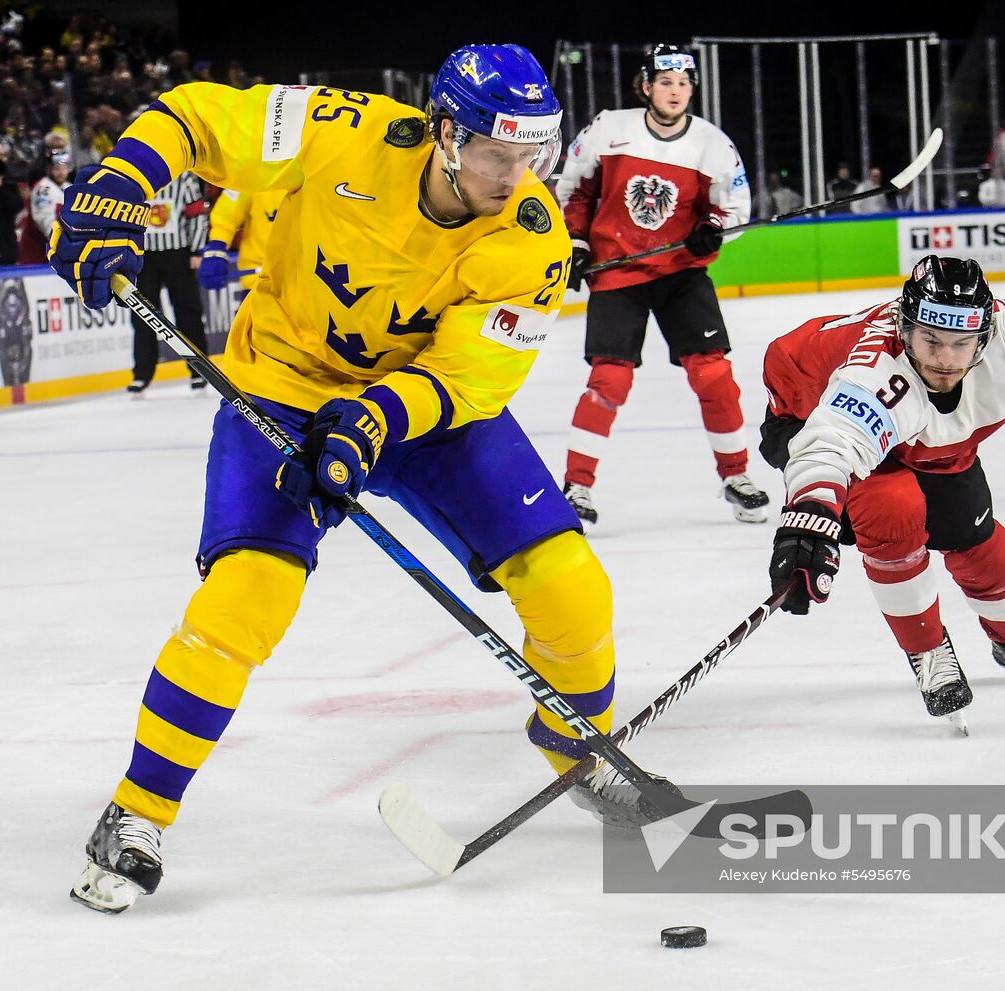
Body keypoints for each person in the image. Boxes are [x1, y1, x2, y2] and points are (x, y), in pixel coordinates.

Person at [48, 43, 660, 914]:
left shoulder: (534, 239)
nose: (518, 175)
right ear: (446, 134)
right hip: (285, 386)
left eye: (535, 155)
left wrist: (373, 422)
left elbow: (470, 377)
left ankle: (576, 747)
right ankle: (137, 809)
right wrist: (122, 186)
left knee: (571, 585)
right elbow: (192, 115)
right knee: (246, 597)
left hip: (419, 409)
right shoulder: (345, 130)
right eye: (499, 154)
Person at [760, 255, 1005, 723]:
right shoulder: (877, 373)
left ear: (986, 334)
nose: (944, 359)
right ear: (904, 329)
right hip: (808, 405)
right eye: (931, 340)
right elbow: (829, 445)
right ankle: (926, 649)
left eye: (961, 344)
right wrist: (808, 523)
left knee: (975, 539)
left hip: (927, 441)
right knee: (892, 511)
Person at [555, 43, 769, 526]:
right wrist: (577, 243)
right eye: (666, 82)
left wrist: (712, 229)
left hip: (681, 274)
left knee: (714, 377)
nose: (676, 91)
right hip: (618, 270)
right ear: (647, 86)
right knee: (609, 380)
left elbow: (732, 208)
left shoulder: (713, 144)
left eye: (684, 83)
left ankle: (736, 476)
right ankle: (577, 486)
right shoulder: (610, 128)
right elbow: (575, 190)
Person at [125, 171, 210, 393]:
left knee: (188, 312)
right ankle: (142, 373)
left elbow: (197, 213)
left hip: (178, 253)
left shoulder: (184, 177)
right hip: (143, 256)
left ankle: (200, 370)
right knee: (142, 315)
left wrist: (196, 249)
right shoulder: (134, 176)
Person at [195, 185, 287, 297]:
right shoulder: (254, 176)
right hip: (261, 281)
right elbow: (226, 214)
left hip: (304, 282)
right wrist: (217, 245)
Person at [23, 150, 71, 264]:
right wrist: (65, 244)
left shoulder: (69, 187)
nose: (61, 173)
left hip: (61, 253)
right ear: (49, 169)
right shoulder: (43, 189)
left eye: (64, 168)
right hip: (39, 254)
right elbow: (45, 221)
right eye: (57, 169)